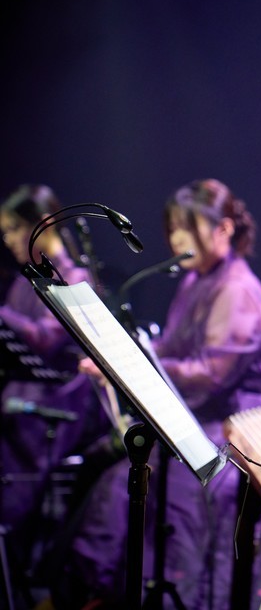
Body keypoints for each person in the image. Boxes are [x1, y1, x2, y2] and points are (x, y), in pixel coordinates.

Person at [63, 179, 261, 610]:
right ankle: (103, 592)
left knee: (160, 487)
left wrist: (136, 365)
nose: (177, 240)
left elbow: (210, 374)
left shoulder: (238, 289)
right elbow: (169, 349)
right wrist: (119, 359)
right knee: (116, 472)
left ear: (224, 230)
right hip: (210, 415)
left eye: (188, 228)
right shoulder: (195, 282)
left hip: (249, 423)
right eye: (173, 229)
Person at [0, 185, 106, 591]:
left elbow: (45, 340)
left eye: (13, 229)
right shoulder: (22, 280)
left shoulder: (76, 279)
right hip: (26, 396)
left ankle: (20, 554)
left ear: (41, 226)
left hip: (64, 402)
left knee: (15, 435)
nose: (8, 240)